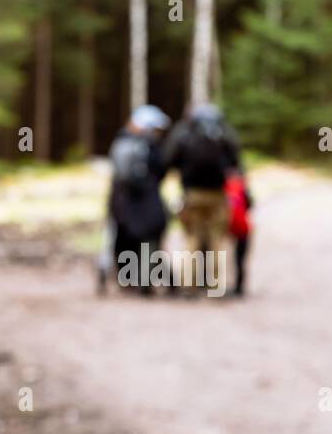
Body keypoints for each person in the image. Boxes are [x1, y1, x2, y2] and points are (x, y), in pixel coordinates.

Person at [162, 103, 244, 294]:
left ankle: (189, 286)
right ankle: (215, 286)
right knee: (217, 240)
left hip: (192, 195)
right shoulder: (223, 132)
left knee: (192, 239)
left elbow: (170, 159)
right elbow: (235, 160)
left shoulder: (185, 132)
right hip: (218, 194)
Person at [102, 104, 172, 295]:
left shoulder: (121, 142)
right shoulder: (148, 146)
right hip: (145, 201)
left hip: (121, 200)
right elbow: (161, 170)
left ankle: (127, 279)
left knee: (123, 237)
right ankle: (145, 280)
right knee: (149, 239)